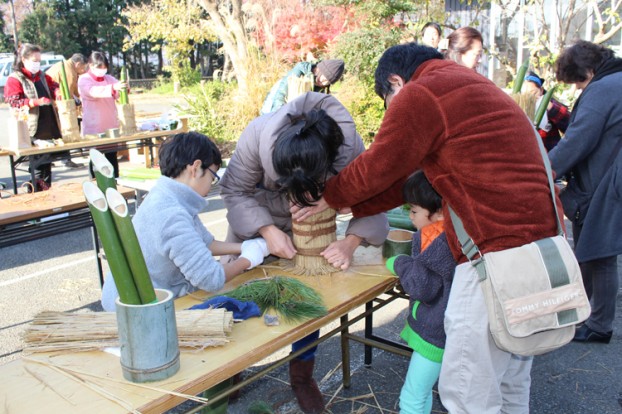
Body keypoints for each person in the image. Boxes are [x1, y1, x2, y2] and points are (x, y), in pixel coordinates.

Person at [291, 43, 560, 413]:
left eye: (389, 103)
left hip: (493, 256)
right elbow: (405, 178)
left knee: (469, 390)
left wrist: (331, 196)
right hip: (539, 251)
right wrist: (352, 203)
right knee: (508, 383)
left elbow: (380, 165)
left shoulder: (422, 92)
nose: (391, 114)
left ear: (395, 82)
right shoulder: (468, 85)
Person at [220, 91, 388, 413]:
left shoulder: (349, 149)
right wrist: (268, 231)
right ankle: (232, 371)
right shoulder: (258, 135)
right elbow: (233, 190)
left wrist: (350, 242)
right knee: (244, 292)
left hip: (314, 237)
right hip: (258, 225)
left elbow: (373, 202)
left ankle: (302, 376)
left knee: (308, 298)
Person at [101, 131, 269, 311]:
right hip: (136, 309)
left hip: (134, 296)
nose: (211, 184)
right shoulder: (171, 214)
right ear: (196, 168)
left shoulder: (168, 195)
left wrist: (245, 246)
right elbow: (211, 279)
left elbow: (204, 243)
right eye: (212, 177)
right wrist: (247, 260)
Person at [548, 40, 622, 344]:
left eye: (579, 82)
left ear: (590, 70)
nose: (577, 89)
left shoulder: (605, 88)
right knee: (593, 249)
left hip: (606, 180)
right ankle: (585, 313)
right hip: (607, 175)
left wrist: (542, 172)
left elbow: (578, 140)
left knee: (599, 251)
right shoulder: (614, 80)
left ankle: (600, 324)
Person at [385, 170, 455, 414]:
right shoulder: (453, 232)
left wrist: (399, 263)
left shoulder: (436, 241)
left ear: (437, 212)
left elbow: (421, 288)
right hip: (443, 329)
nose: (410, 216)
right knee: (422, 392)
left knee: (411, 399)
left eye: (414, 211)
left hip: (435, 334)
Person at [4, 43, 62, 191]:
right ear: (24, 59)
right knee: (37, 169)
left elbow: (53, 85)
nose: (37, 64)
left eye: (39, 61)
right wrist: (33, 102)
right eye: (34, 60)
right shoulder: (15, 78)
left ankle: (47, 198)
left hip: (48, 127)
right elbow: (13, 101)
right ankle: (37, 199)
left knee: (46, 167)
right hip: (30, 129)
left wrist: (57, 92)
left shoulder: (42, 76)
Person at [78, 51, 126, 177]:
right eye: (99, 67)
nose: (102, 70)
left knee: (112, 157)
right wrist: (113, 88)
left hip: (110, 124)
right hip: (94, 126)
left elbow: (119, 91)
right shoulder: (83, 79)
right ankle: (95, 185)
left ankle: (115, 183)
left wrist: (123, 88)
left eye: (104, 67)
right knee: (96, 159)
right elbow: (93, 92)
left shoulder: (109, 79)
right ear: (90, 65)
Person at [47, 53, 89, 168]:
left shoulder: (66, 66)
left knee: (55, 132)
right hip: (58, 104)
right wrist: (75, 106)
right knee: (64, 130)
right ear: (78, 64)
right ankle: (65, 159)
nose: (84, 70)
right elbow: (68, 94)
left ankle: (51, 159)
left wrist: (79, 98)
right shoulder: (68, 71)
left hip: (53, 102)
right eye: (83, 67)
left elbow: (74, 89)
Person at [260, 59, 345, 114]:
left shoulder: (320, 92)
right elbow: (281, 94)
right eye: (324, 76)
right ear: (319, 69)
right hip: (272, 110)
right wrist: (278, 117)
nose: (323, 81)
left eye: (328, 81)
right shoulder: (300, 71)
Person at [523, 71, 571, 152]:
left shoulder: (549, 105)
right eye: (525, 95)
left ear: (541, 90)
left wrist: (550, 107)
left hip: (550, 158)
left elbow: (570, 124)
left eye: (533, 93)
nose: (530, 98)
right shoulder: (516, 108)